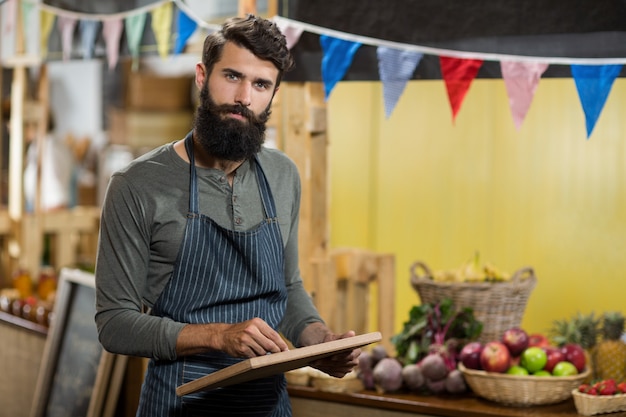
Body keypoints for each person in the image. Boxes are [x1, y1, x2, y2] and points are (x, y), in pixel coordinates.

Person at [94, 15, 360, 417]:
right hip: (180, 403)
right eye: (232, 76)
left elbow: (286, 288)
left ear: (273, 95)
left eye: (261, 84)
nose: (243, 97)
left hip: (268, 406)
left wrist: (319, 341)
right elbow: (114, 323)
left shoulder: (282, 175)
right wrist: (219, 336)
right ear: (202, 76)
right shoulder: (136, 185)